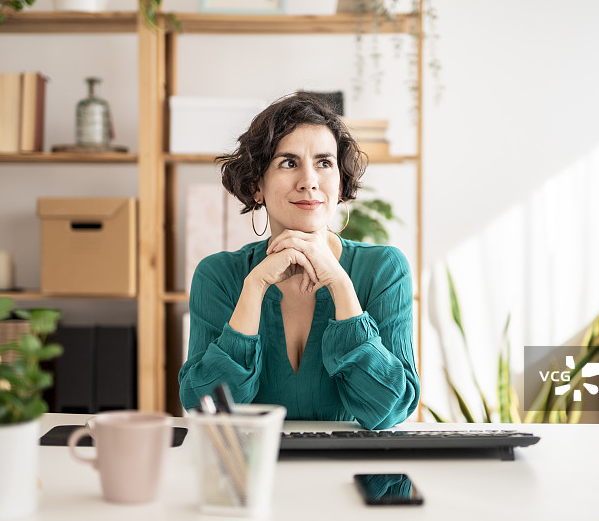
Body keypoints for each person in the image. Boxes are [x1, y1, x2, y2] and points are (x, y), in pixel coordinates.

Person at [178, 93, 419, 430]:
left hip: (356, 474)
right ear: (256, 185)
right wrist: (254, 287)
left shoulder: (384, 269)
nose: (309, 180)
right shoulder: (218, 275)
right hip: (251, 472)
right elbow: (206, 409)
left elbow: (389, 410)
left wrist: (340, 285)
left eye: (324, 162)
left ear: (340, 184)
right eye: (288, 163)